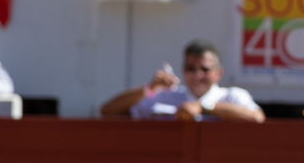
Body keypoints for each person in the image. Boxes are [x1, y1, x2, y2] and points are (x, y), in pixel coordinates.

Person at [100, 40, 264, 123]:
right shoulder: (167, 96)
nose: (197, 75)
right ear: (183, 70)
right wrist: (150, 89)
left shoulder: (232, 96)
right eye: (191, 69)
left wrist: (203, 107)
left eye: (204, 69)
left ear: (218, 73)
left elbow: (257, 118)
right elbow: (108, 111)